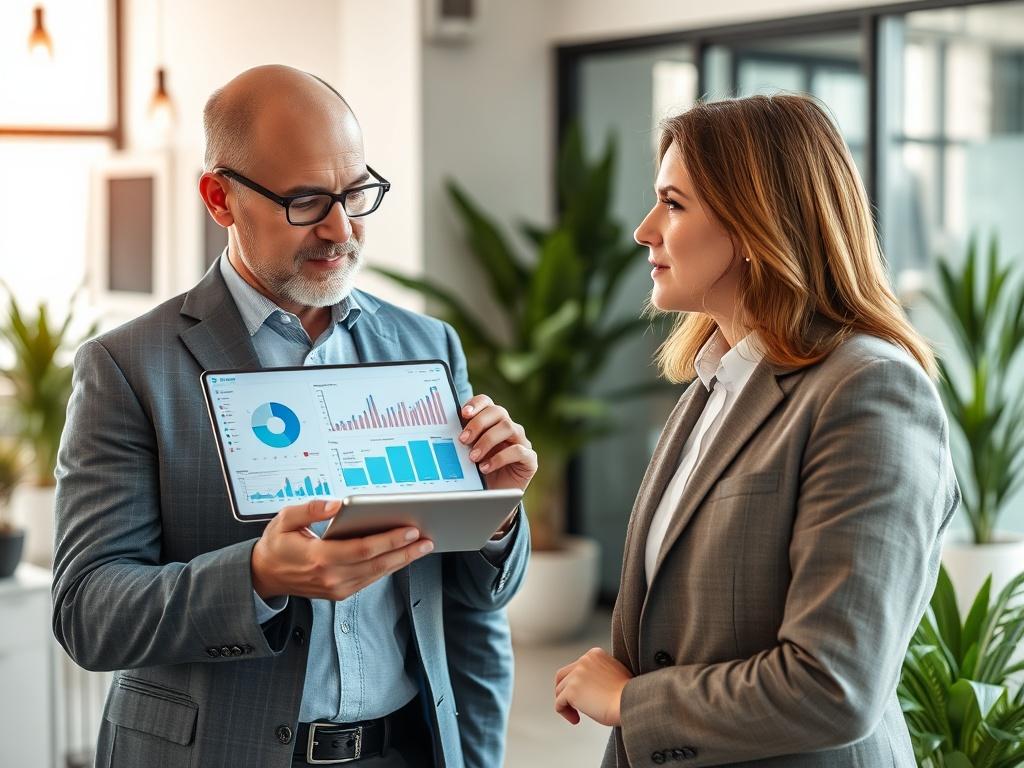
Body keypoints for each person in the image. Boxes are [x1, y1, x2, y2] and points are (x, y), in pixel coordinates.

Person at [52, 65, 535, 768]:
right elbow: (89, 612)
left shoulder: (427, 347)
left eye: (356, 194)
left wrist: (496, 514)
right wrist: (257, 576)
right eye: (306, 201)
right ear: (220, 199)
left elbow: (471, 604)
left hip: (405, 751)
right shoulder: (128, 367)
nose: (340, 229)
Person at [553, 94, 960, 766]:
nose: (645, 230)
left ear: (753, 224)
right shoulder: (715, 382)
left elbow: (832, 686)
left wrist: (631, 703)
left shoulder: (869, 390)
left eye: (674, 204)